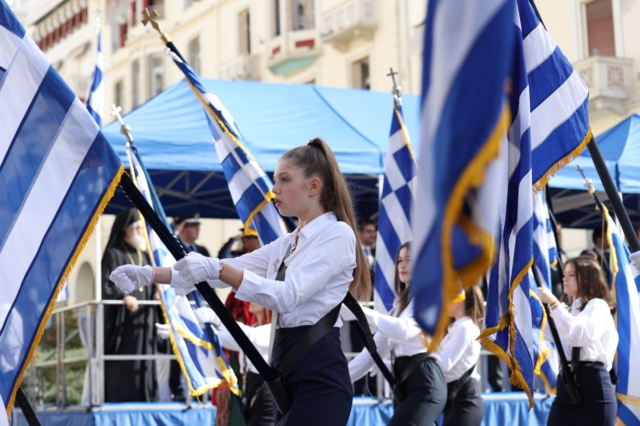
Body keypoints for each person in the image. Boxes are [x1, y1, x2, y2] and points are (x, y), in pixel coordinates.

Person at [110, 138, 372, 425]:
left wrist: (215, 267)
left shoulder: (338, 234)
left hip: (320, 376)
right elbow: (229, 269)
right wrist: (150, 274)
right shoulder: (287, 243)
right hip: (285, 372)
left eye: (285, 180)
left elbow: (287, 295)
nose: (275, 189)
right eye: (275, 180)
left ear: (313, 186)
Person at [344, 242, 447, 426]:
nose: (402, 265)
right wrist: (337, 379)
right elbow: (369, 356)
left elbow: (403, 330)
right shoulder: (398, 308)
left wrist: (358, 311)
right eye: (400, 260)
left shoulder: (427, 298)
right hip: (405, 387)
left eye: (409, 259)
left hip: (426, 386)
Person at [538, 256, 618, 426]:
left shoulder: (598, 306)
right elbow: (542, 331)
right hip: (568, 386)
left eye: (571, 274)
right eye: (564, 274)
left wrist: (553, 303)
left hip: (594, 388)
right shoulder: (566, 311)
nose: (564, 279)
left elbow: (579, 335)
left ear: (587, 278)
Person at [101, 208, 157, 402]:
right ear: (128, 230)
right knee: (126, 362)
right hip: (123, 322)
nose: (142, 232)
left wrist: (157, 293)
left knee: (146, 357)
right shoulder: (114, 254)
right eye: (139, 228)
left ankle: (146, 396)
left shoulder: (145, 256)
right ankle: (122, 397)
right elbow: (105, 285)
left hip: (145, 318)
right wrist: (123, 297)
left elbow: (152, 280)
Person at [190, 302, 274, 426]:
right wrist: (187, 333)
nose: (251, 299)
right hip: (251, 393)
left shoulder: (274, 329)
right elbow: (222, 339)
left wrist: (217, 318)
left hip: (267, 396)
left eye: (258, 298)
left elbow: (249, 336)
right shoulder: (255, 326)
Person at [169, 212, 210, 401]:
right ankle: (177, 389)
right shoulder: (174, 247)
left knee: (200, 346)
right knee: (180, 345)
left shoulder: (202, 250)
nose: (197, 229)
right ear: (183, 227)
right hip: (182, 303)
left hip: (200, 304)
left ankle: (201, 388)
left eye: (198, 225)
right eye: (192, 225)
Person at [431, 286, 485, 426]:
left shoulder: (465, 328)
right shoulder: (457, 328)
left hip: (465, 401)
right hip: (455, 399)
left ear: (458, 302)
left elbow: (445, 364)